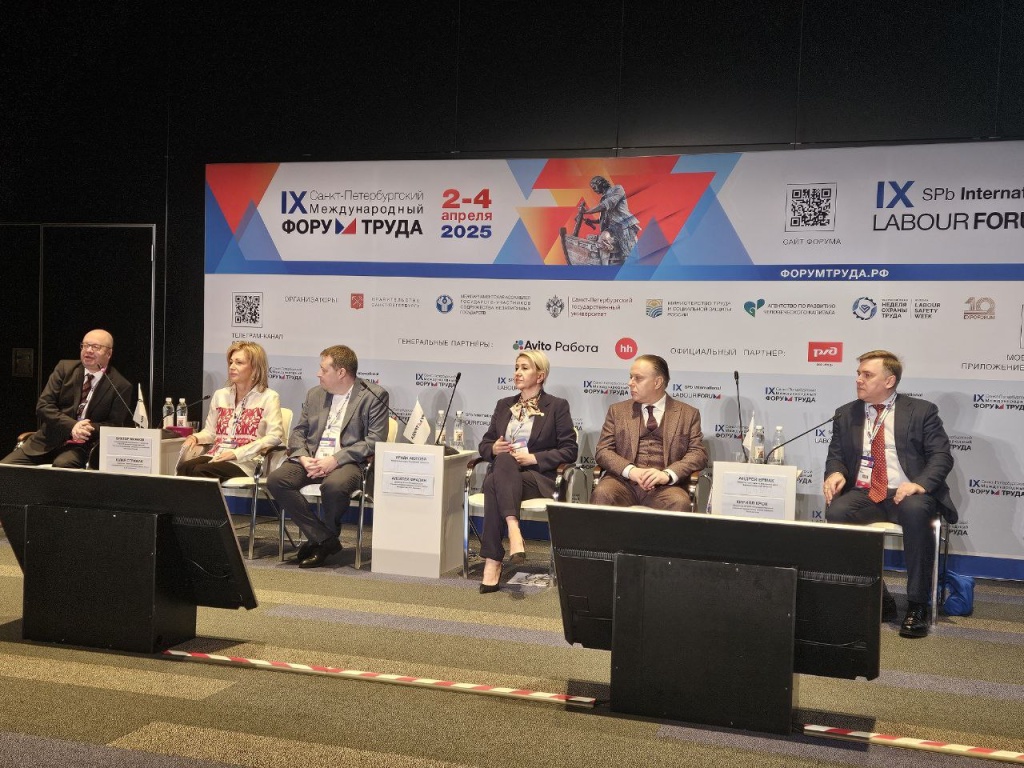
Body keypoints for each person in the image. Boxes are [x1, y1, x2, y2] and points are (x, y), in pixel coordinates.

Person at [823, 349, 956, 639]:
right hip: (867, 492)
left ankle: (918, 604)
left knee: (915, 510)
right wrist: (835, 473)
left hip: (908, 492)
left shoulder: (921, 411)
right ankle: (879, 596)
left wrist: (919, 484)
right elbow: (836, 457)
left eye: (867, 375)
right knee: (837, 512)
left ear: (889, 381)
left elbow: (941, 457)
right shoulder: (846, 413)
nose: (858, 379)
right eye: (858, 374)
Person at [266, 345, 389, 568]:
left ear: (341, 372)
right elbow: (299, 432)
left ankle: (322, 540)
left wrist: (335, 459)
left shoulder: (373, 395)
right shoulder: (315, 394)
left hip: (348, 462)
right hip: (312, 459)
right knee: (277, 480)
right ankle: (324, 539)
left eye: (324, 370)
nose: (318, 374)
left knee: (333, 486)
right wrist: (303, 457)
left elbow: (374, 441)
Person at [477, 350, 578, 593]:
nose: (517, 373)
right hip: (505, 474)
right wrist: (494, 448)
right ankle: (514, 529)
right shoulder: (504, 405)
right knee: (503, 460)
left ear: (540, 376)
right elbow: (485, 444)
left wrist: (533, 458)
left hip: (537, 477)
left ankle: (493, 559)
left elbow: (570, 450)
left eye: (524, 368)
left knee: (492, 483)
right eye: (516, 368)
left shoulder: (556, 406)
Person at [2, 329, 132, 468]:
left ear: (109, 353)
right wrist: (72, 426)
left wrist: (87, 429)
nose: (88, 350)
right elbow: (44, 406)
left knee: (62, 467)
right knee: (6, 467)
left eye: (95, 347)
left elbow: (114, 425)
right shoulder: (65, 368)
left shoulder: (120, 385)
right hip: (47, 441)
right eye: (85, 345)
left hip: (82, 447)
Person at [592, 354, 707, 511]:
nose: (630, 383)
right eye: (630, 377)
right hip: (622, 483)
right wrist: (631, 471)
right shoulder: (617, 411)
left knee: (679, 502)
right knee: (603, 493)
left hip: (664, 488)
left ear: (657, 382)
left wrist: (667, 474)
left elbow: (698, 454)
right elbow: (603, 451)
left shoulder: (688, 414)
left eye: (638, 378)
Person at [177, 341, 284, 481]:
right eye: (231, 362)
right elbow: (210, 432)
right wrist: (195, 438)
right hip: (216, 455)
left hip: (245, 462)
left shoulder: (269, 397)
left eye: (239, 363)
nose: (232, 367)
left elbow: (275, 436)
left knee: (201, 471)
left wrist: (237, 453)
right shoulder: (220, 395)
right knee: (184, 468)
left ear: (255, 368)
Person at [582, 175, 641, 264]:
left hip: (623, 225)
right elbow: (604, 218)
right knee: (603, 240)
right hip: (612, 228)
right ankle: (611, 259)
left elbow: (607, 204)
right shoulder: (603, 198)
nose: (594, 190)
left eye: (594, 187)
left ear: (600, 183)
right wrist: (591, 221)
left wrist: (587, 211)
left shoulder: (617, 189)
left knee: (629, 252)